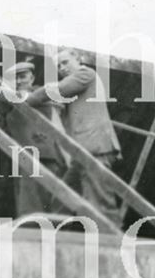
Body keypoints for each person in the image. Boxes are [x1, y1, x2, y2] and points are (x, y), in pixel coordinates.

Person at [25, 48, 121, 217]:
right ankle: (60, 235)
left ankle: (109, 239)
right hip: (82, 149)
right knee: (63, 197)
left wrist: (27, 100)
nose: (62, 68)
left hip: (94, 147)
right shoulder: (75, 86)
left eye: (65, 62)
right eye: (58, 66)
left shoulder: (85, 74)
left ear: (78, 59)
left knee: (99, 201)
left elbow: (55, 90)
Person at [5, 59, 66, 216]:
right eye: (14, 78)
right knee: (30, 198)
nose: (18, 81)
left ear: (32, 78)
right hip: (26, 155)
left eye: (23, 76)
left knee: (37, 201)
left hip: (43, 154)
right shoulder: (12, 97)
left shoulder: (39, 94)